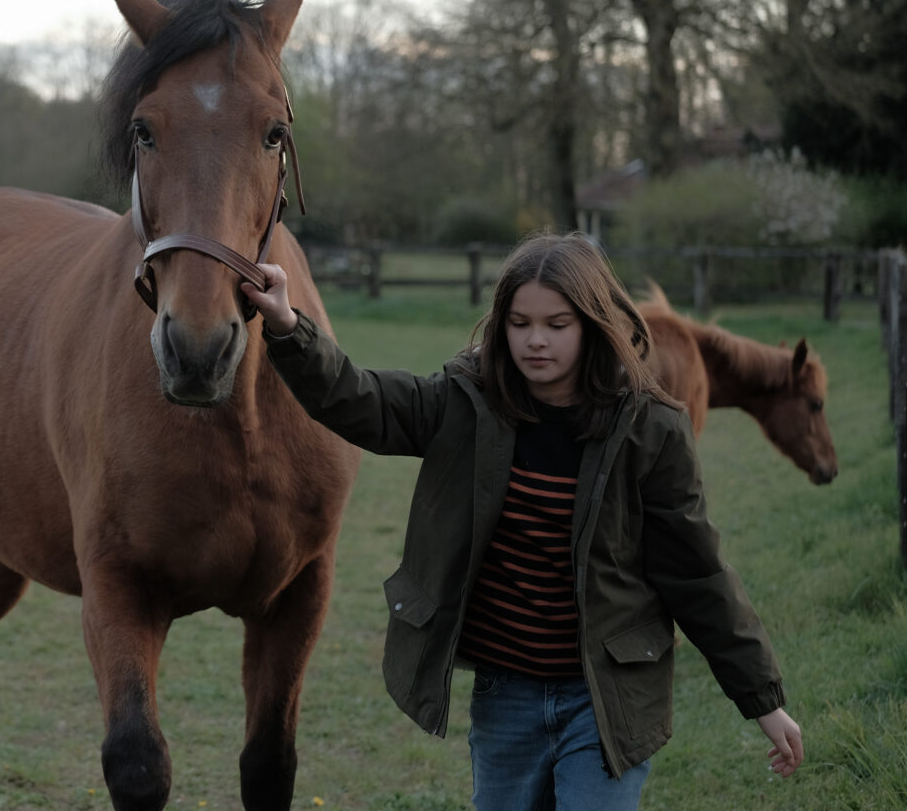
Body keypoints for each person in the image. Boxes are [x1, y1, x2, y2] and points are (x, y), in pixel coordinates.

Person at [242, 233, 802, 810]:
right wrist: (288, 325)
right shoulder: (468, 403)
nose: (535, 341)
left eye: (557, 325)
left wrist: (762, 698)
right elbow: (361, 399)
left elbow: (698, 572)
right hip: (505, 695)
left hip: (605, 698)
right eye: (519, 323)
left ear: (592, 322)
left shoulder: (650, 429)